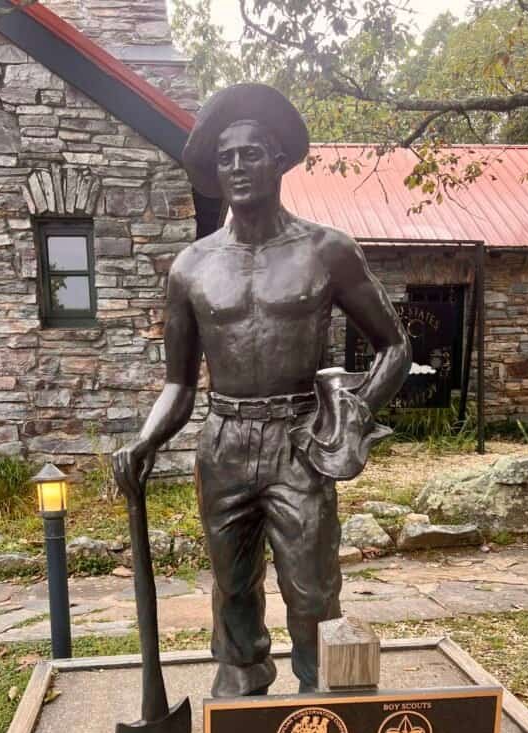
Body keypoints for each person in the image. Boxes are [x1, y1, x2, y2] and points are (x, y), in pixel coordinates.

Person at [113, 83, 410, 698]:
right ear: (215, 172)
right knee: (232, 586)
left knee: (311, 588)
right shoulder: (191, 267)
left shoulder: (327, 250)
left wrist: (351, 417)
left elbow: (395, 346)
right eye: (227, 158)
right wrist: (145, 441)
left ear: (278, 161)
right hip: (222, 442)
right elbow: (178, 382)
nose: (239, 167)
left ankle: (319, 697)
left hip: (298, 439)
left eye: (252, 154)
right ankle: (242, 689)